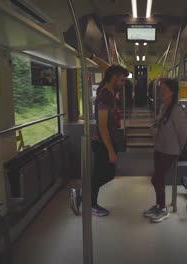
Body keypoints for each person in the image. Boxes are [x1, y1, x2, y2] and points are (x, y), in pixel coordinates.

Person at [70, 65, 129, 217]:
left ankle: (84, 196)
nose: (123, 84)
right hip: (104, 141)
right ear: (114, 78)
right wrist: (110, 150)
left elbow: (107, 68)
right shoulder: (105, 96)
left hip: (108, 140)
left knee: (106, 174)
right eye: (122, 80)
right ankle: (89, 201)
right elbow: (102, 126)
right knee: (102, 174)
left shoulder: (109, 90)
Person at [144, 79, 187, 223]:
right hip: (159, 147)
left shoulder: (177, 110)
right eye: (161, 89)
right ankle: (158, 205)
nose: (162, 92)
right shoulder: (163, 107)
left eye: (165, 89)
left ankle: (163, 210)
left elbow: (183, 134)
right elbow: (158, 123)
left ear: (173, 91)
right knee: (159, 179)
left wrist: (180, 150)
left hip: (170, 151)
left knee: (156, 178)